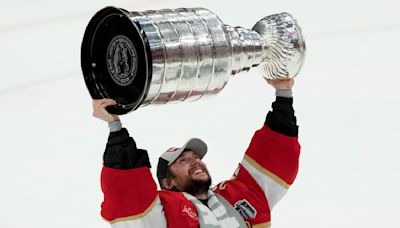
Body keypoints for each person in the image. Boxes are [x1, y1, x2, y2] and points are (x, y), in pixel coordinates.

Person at [92, 79, 300, 227]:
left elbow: (274, 155)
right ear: (167, 183)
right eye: (183, 160)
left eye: (197, 158)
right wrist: (114, 126)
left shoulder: (238, 195)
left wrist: (283, 93)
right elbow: (129, 195)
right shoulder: (162, 214)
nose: (196, 162)